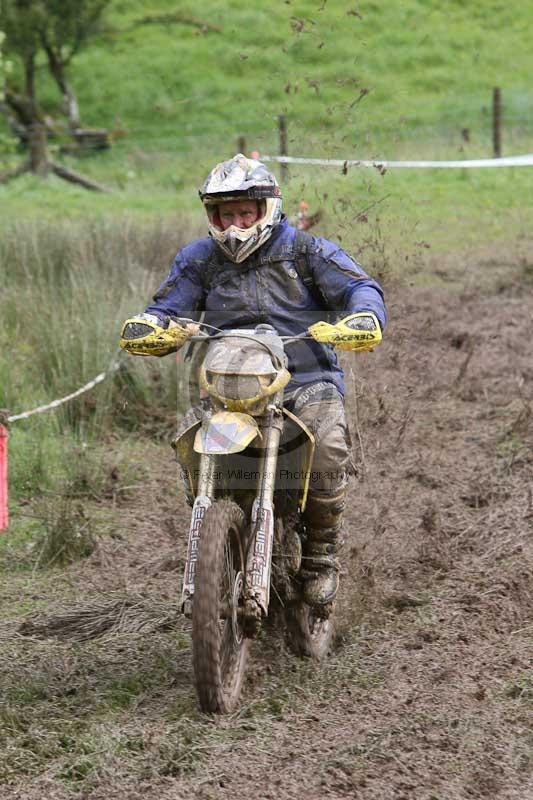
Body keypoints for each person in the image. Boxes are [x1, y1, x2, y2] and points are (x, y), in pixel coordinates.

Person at [120, 153, 387, 609]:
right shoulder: (199, 259)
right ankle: (217, 539)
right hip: (226, 384)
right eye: (227, 214)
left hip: (304, 377)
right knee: (189, 437)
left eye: (246, 212)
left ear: (267, 210)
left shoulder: (308, 251)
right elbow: (167, 307)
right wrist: (152, 326)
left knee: (325, 441)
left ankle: (322, 555)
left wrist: (362, 316)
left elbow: (359, 287)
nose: (236, 224)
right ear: (212, 215)